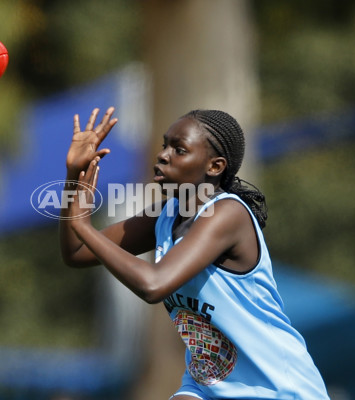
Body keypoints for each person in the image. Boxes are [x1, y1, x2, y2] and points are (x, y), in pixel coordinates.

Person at [59, 107, 329, 400]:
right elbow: (77, 253)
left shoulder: (227, 213)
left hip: (278, 388)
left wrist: (81, 225)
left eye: (180, 149)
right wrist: (75, 174)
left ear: (215, 166)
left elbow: (154, 284)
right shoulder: (167, 215)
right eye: (165, 145)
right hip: (207, 385)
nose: (163, 155)